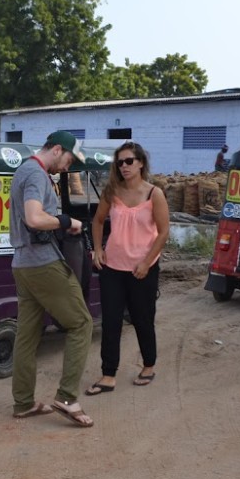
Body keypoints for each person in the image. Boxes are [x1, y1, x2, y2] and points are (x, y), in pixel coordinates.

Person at [9, 130, 94, 427]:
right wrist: (67, 221)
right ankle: (67, 397)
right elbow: (34, 218)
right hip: (42, 263)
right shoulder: (36, 173)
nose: (68, 166)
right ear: (57, 149)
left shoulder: (24, 171)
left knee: (27, 335)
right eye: (69, 159)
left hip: (22, 263)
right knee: (81, 323)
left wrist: (59, 224)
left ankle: (23, 402)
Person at [86, 141, 169, 394]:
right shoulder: (111, 191)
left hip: (143, 268)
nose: (124, 166)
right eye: (120, 162)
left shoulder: (154, 194)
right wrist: (97, 248)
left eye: (129, 161)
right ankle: (108, 374)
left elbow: (163, 232)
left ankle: (148, 366)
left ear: (141, 163)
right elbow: (97, 221)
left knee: (142, 319)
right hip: (112, 267)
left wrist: (146, 262)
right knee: (111, 321)